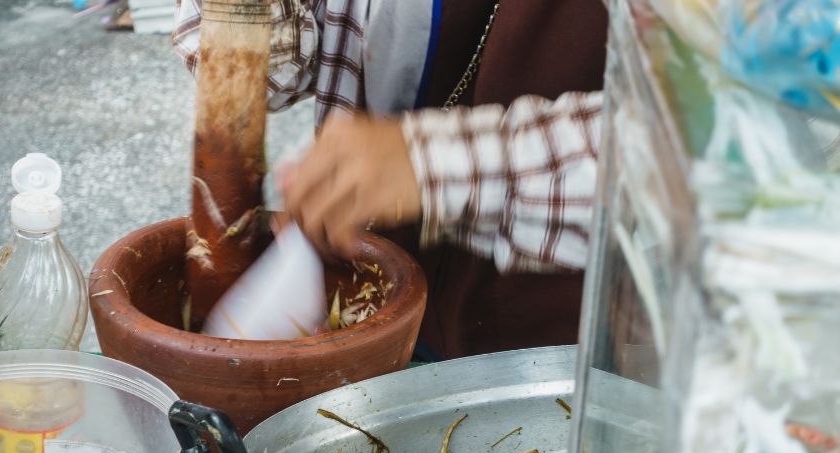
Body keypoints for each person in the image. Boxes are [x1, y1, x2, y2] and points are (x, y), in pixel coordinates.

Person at [174, 0, 608, 360]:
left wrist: (432, 164)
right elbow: (280, 72)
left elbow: (669, 160)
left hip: (565, 327)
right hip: (381, 274)